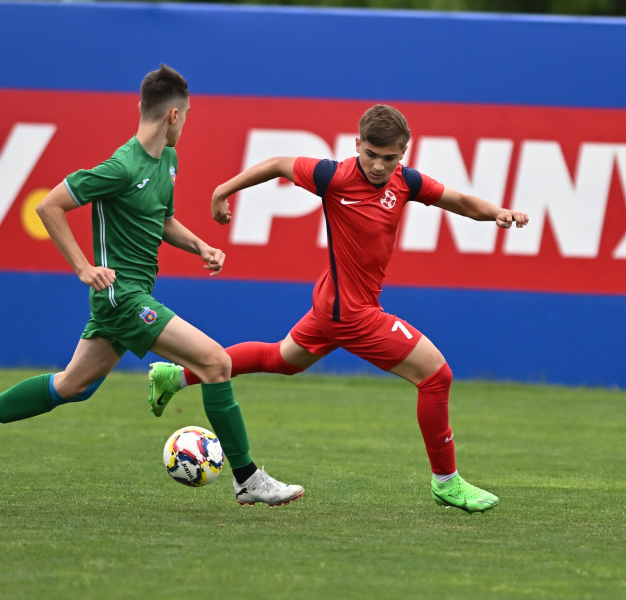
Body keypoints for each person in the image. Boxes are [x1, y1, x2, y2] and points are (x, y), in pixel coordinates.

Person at [0, 64, 304, 507]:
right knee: (216, 363)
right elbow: (50, 206)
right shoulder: (121, 166)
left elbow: (162, 219)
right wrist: (82, 266)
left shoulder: (167, 160)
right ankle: (247, 479)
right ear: (173, 115)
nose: (186, 124)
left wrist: (200, 247)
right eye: (186, 115)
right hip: (122, 296)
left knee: (73, 385)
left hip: (129, 296)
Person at [148, 103, 530, 513]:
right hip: (351, 313)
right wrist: (223, 191)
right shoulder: (334, 176)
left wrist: (498, 214)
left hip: (335, 305)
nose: (380, 165)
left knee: (282, 359)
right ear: (357, 144)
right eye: (372, 154)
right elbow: (278, 163)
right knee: (437, 376)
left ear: (403, 153)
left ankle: (177, 375)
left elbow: (459, 201)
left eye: (391, 158)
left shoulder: (407, 182)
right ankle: (447, 482)